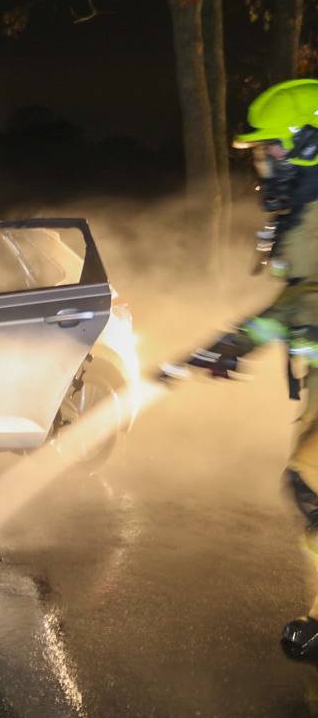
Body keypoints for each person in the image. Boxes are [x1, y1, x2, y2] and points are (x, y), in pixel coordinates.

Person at [176, 79, 318, 659]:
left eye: (270, 150)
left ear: (309, 145)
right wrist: (236, 344)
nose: (263, 165)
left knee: (312, 484)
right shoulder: (304, 212)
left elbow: (307, 302)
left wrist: (238, 341)